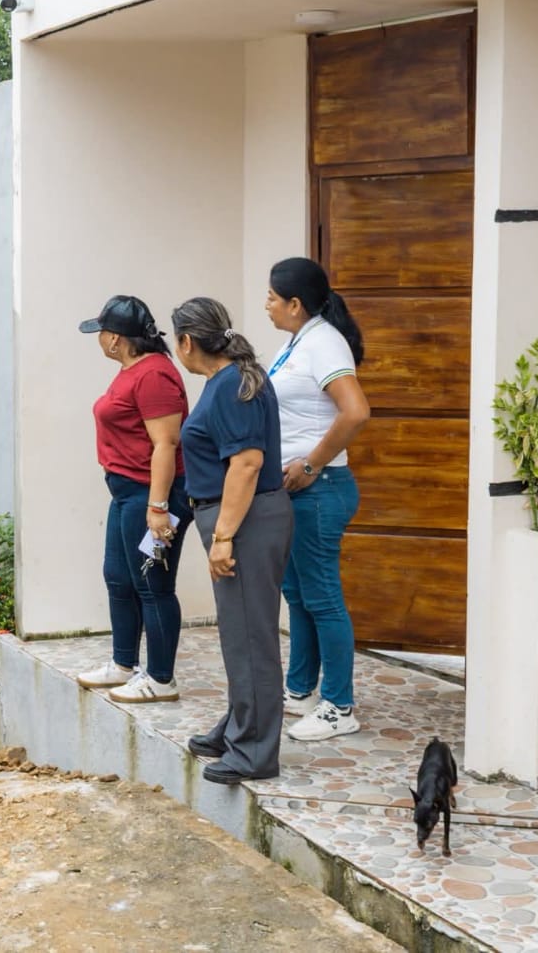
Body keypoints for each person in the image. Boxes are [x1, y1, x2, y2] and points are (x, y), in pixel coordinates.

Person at [171, 297, 293, 785]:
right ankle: (240, 727)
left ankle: (254, 752)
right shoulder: (233, 379)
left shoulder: (230, 386)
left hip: (244, 520)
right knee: (242, 633)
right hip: (245, 517)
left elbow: (246, 464)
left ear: (186, 341)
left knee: (249, 637)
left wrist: (223, 536)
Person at [265, 258, 371, 742]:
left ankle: (339, 706)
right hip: (298, 492)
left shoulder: (324, 342)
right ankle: (301, 690)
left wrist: (310, 464)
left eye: (272, 297)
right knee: (299, 593)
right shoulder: (298, 341)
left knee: (323, 597)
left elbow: (356, 411)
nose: (266, 304)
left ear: (295, 303)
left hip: (321, 489)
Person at [73, 295, 195, 703]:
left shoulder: (154, 375)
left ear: (115, 339)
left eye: (101, 332)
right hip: (126, 492)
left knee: (152, 583)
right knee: (119, 577)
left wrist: (158, 508)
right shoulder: (133, 370)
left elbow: (166, 443)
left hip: (153, 495)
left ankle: (161, 679)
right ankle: (123, 664)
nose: (99, 339)